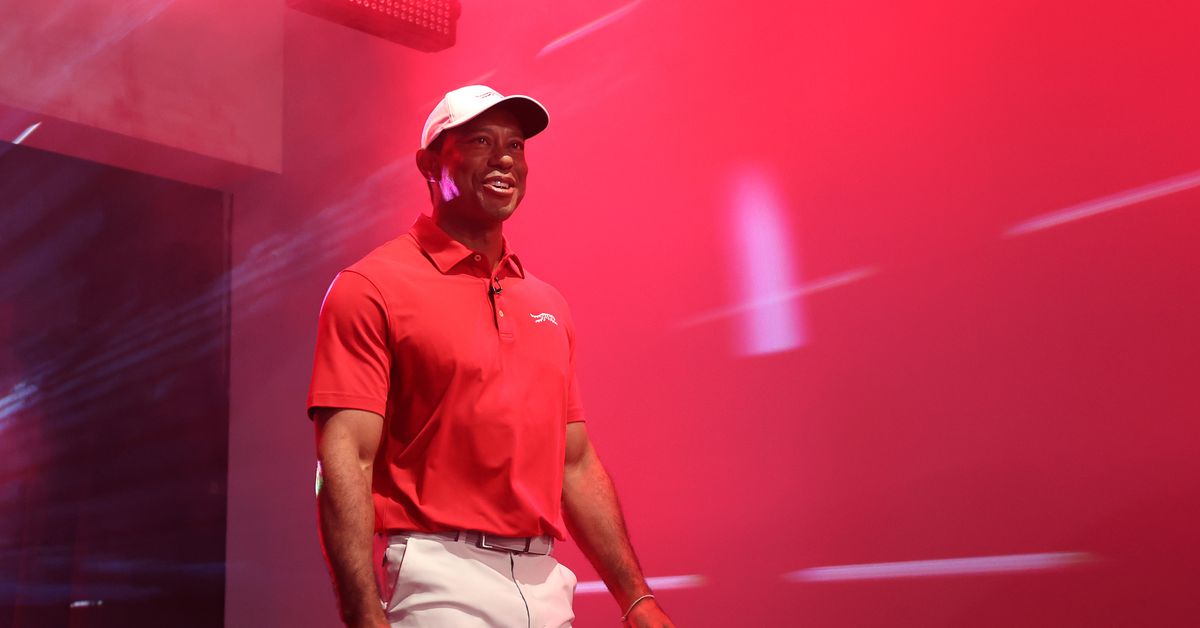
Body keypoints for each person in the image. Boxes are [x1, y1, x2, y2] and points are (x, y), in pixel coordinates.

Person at [307, 85, 675, 628]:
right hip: (440, 579)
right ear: (429, 164)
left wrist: (637, 599)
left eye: (516, 145)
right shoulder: (370, 287)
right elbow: (346, 459)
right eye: (481, 141)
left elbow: (574, 464)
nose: (504, 158)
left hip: (545, 583)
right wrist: (362, 611)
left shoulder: (548, 303)